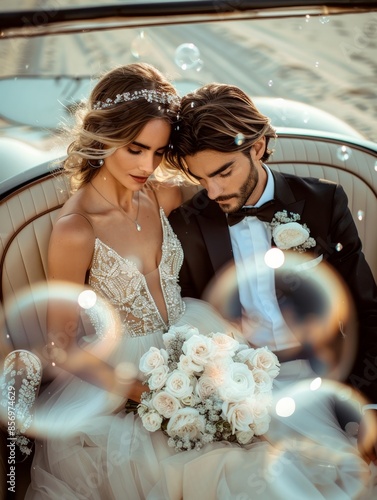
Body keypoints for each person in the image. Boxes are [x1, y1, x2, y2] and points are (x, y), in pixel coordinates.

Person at [24, 64, 373, 500]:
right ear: (104, 136)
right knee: (238, 472)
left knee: (286, 454)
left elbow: (236, 181)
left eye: (156, 152)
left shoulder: (161, 194)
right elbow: (64, 344)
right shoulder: (76, 230)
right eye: (135, 149)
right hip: (127, 377)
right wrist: (145, 391)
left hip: (198, 341)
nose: (147, 165)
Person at [166, 82, 377, 486]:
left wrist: (369, 405)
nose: (213, 192)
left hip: (323, 376)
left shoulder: (323, 203)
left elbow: (367, 309)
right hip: (241, 387)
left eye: (223, 172)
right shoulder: (188, 222)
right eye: (199, 177)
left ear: (258, 147)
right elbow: (186, 318)